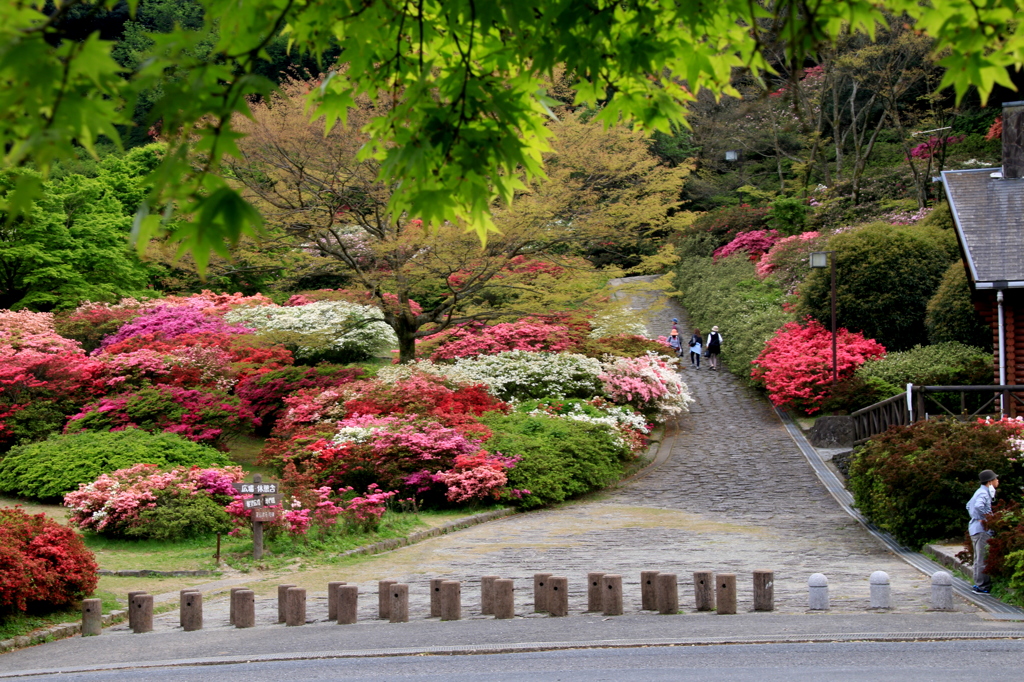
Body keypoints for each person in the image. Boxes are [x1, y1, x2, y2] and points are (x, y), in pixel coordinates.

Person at [967, 469, 999, 593]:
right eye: (996, 479)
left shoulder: (979, 491)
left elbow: (968, 505)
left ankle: (978, 583)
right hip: (981, 530)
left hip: (974, 528)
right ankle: (982, 586)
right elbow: (978, 506)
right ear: (990, 482)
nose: (998, 481)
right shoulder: (984, 493)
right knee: (982, 559)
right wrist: (984, 519)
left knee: (978, 558)